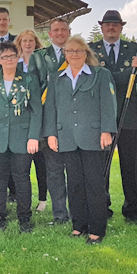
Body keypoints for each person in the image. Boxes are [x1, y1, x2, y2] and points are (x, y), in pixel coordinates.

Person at [44, 35, 117, 244]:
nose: (74, 54)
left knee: (94, 184)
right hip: (66, 136)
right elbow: (51, 108)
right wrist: (51, 133)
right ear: (64, 54)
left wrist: (106, 130)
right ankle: (79, 225)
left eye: (78, 50)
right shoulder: (57, 78)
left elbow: (109, 104)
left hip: (93, 137)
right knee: (74, 183)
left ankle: (97, 229)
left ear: (86, 53)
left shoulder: (100, 75)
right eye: (70, 51)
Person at [89, 10, 137, 227]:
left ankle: (133, 212)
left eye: (115, 25)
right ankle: (102, 207)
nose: (111, 28)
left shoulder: (135, 50)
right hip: (101, 119)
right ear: (102, 27)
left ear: (121, 27)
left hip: (129, 116)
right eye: (107, 25)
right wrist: (126, 75)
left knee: (131, 166)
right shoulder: (91, 50)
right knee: (101, 166)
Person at [0, 41, 42, 233]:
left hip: (22, 138)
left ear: (18, 58)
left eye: (12, 56)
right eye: (5, 57)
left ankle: (24, 218)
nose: (9, 60)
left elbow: (36, 111)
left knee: (22, 178)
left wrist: (33, 137)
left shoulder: (29, 80)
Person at [33, 17, 71, 224]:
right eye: (55, 30)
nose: (59, 33)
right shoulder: (39, 57)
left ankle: (77, 211)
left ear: (69, 32)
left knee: (75, 172)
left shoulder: (79, 53)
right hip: (49, 123)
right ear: (49, 34)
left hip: (73, 123)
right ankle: (59, 214)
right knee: (54, 172)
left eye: (63, 30)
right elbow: (33, 90)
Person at [14, 29, 48, 213]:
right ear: (19, 43)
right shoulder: (14, 64)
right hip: (20, 120)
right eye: (24, 41)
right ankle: (20, 198)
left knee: (41, 162)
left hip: (38, 116)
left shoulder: (42, 62)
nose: (27, 44)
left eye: (31, 41)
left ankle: (42, 199)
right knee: (21, 165)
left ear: (36, 43)